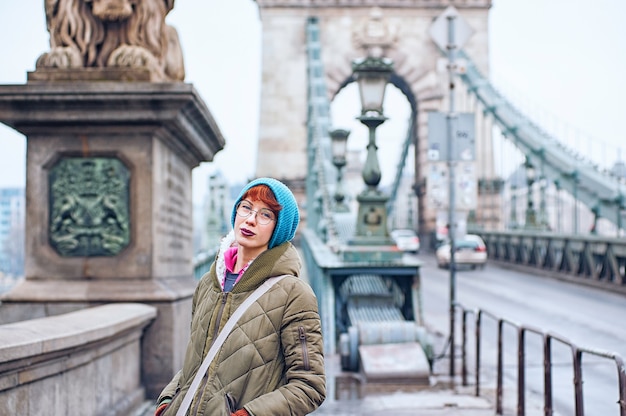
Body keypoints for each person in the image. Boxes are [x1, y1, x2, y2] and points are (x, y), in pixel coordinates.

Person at [155, 177, 326, 416]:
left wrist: (248, 415)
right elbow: (196, 364)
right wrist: (166, 403)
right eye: (246, 207)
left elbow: (310, 386)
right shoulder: (208, 284)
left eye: (266, 214)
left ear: (279, 228)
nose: (251, 219)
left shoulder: (294, 294)